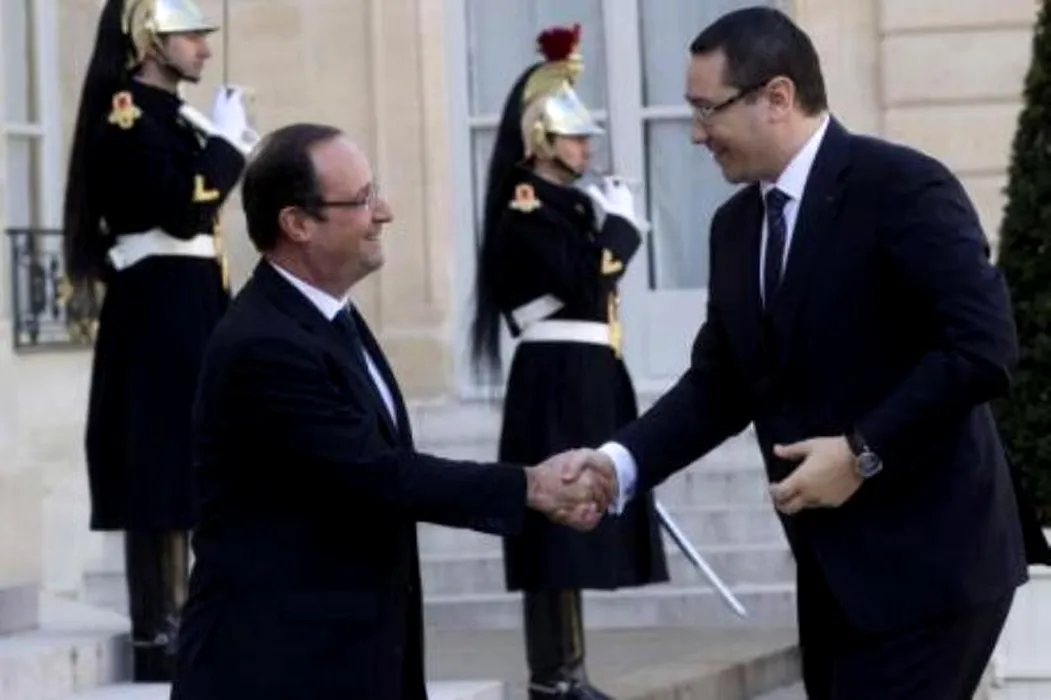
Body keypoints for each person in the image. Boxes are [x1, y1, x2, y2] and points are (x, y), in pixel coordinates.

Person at [559, 7, 1051, 699]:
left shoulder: (901, 187)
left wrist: (860, 452)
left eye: (707, 109)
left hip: (936, 566)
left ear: (777, 97)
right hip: (832, 576)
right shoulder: (735, 227)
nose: (695, 133)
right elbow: (720, 384)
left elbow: (984, 346)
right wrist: (619, 464)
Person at [169, 123, 617, 700]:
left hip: (349, 661)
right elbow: (376, 474)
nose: (384, 212)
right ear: (297, 223)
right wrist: (530, 486)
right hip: (278, 670)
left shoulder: (331, 318)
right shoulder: (264, 343)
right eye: (361, 199)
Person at [469, 23, 668, 700]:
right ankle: (554, 675)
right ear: (540, 140)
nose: (586, 147)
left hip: (587, 372)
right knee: (552, 526)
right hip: (553, 377)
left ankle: (570, 669)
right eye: (574, 137)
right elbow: (583, 281)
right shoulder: (526, 208)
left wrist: (605, 230)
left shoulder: (568, 206)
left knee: (579, 521)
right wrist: (621, 234)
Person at [61, 0, 257, 682]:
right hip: (156, 308)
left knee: (202, 457)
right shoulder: (128, 116)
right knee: (161, 464)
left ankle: (202, 622)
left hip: (193, 301)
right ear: (150, 40)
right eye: (189, 36)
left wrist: (218, 142)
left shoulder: (172, 117)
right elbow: (179, 210)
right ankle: (160, 633)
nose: (203, 48)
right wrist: (227, 148)